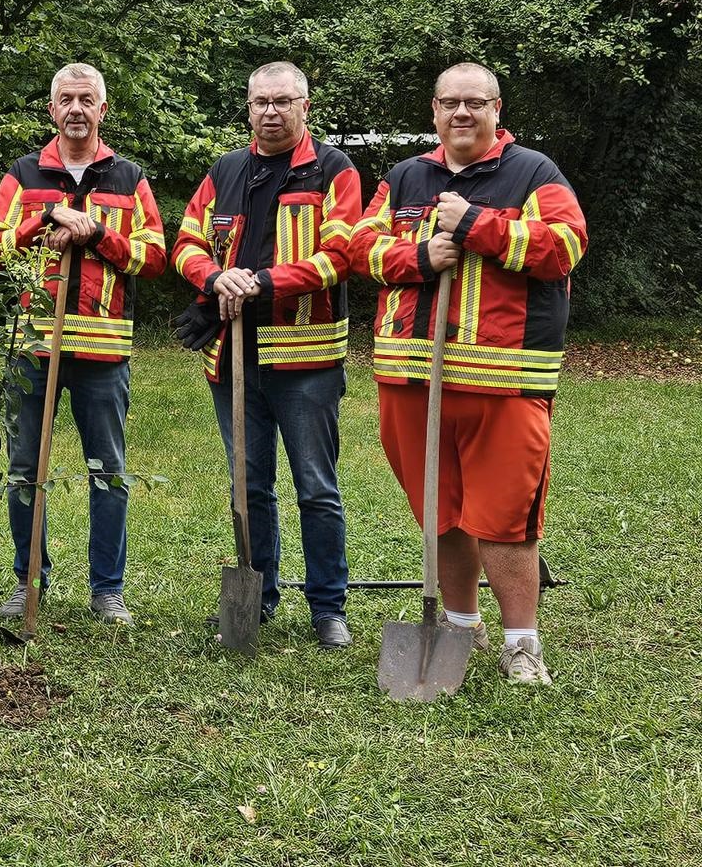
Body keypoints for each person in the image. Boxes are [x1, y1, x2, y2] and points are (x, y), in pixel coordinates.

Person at [349, 62, 587, 685]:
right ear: (433, 111)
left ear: (496, 110)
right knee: (439, 511)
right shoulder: (405, 178)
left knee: (507, 518)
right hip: (411, 376)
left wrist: (475, 225)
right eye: (450, 102)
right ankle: (460, 623)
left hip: (503, 381)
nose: (462, 113)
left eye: (474, 103)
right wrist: (420, 256)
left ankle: (521, 643)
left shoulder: (534, 174)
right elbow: (359, 248)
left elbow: (565, 246)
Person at [170, 61, 360, 649]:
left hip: (306, 362)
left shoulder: (334, 170)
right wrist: (215, 277)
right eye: (260, 103)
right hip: (232, 359)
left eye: (282, 102)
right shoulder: (225, 171)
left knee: (316, 487)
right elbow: (186, 242)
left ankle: (328, 608)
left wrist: (262, 282)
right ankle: (261, 597)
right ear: (248, 107)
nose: (270, 112)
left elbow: (341, 254)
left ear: (306, 106)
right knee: (249, 487)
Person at [0, 62, 167, 626]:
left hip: (103, 351)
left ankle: (107, 588)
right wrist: (42, 220)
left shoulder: (128, 177)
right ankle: (27, 576)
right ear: (52, 109)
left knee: (108, 469)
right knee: (22, 466)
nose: (77, 110)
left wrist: (97, 232)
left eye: (87, 100)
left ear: (103, 110)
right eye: (67, 99)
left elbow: (155, 255)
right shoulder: (23, 174)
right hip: (34, 346)